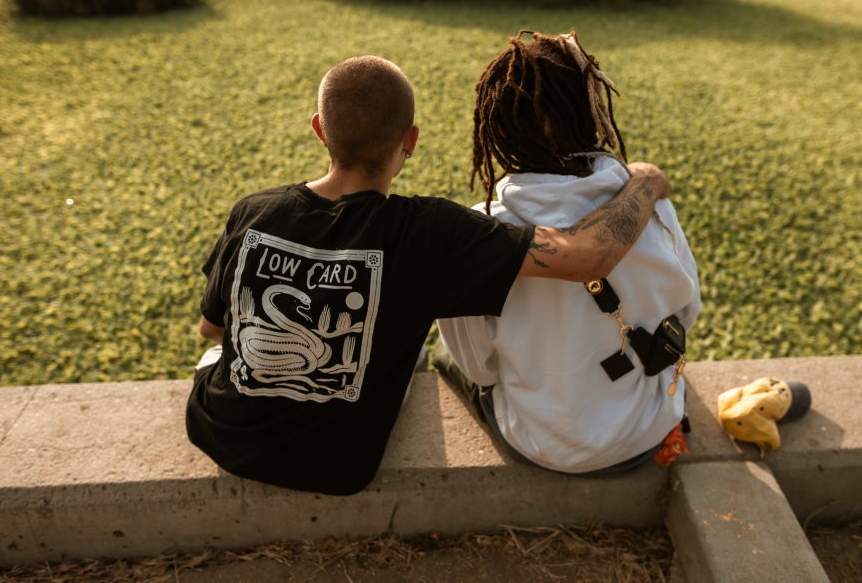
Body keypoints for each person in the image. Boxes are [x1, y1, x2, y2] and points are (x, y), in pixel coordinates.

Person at [185, 54, 672, 495]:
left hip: (221, 434)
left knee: (214, 353)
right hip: (336, 468)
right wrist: (645, 180)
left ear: (319, 129)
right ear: (410, 140)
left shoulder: (253, 211)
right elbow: (587, 256)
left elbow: (213, 328)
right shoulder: (430, 233)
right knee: (413, 353)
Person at [437, 31, 701, 475]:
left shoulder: (479, 233)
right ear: (592, 112)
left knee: (444, 356)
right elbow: (686, 312)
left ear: (496, 130)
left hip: (541, 445)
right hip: (647, 430)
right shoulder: (648, 203)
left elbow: (480, 370)